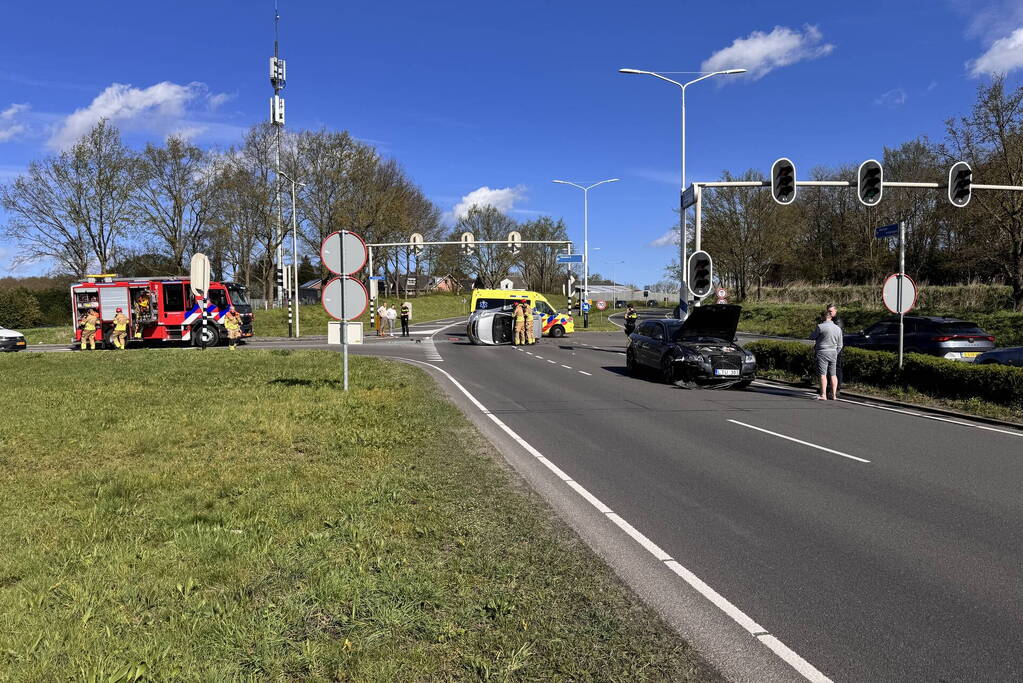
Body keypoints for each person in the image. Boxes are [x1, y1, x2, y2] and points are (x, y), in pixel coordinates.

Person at [810, 306, 843, 400]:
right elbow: (840, 344)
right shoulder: (838, 328)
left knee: (823, 374)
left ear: (823, 317)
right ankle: (834, 395)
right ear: (831, 317)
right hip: (833, 352)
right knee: (833, 374)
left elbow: (812, 337)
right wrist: (836, 352)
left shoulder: (820, 327)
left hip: (822, 352)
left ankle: (823, 394)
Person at [828, 303, 844, 394]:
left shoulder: (837, 321)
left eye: (831, 311)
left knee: (837, 368)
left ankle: (837, 388)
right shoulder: (829, 320)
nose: (829, 313)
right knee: (829, 368)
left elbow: (836, 335)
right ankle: (829, 387)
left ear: (835, 311)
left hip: (836, 348)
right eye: (828, 311)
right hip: (830, 348)